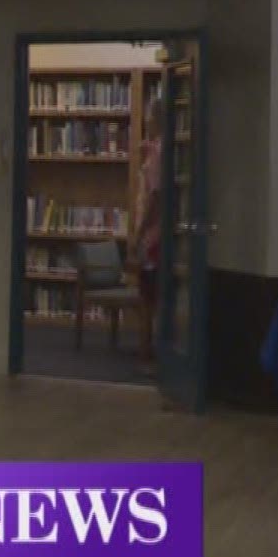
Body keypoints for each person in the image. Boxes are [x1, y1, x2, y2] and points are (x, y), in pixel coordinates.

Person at [128, 96, 164, 363]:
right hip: (157, 233)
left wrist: (139, 234)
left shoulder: (159, 154)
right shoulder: (158, 150)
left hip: (154, 236)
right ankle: (150, 347)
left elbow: (154, 197)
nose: (146, 121)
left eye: (150, 116)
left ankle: (146, 351)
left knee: (148, 295)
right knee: (150, 293)